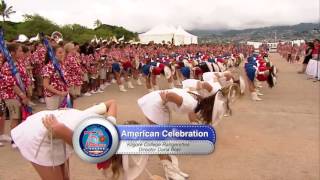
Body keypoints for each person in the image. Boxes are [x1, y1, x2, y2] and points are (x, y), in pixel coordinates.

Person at [11, 100, 117, 180]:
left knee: (65, 177)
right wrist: (59, 123)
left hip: (56, 130)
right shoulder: (87, 143)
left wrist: (68, 115)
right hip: (37, 133)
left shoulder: (110, 125)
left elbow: (112, 102)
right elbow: (57, 128)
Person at [137, 87, 220, 179]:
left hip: (157, 101)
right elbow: (170, 95)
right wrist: (166, 99)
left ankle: (171, 168)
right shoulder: (190, 104)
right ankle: (170, 172)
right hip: (153, 105)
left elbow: (190, 110)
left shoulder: (197, 101)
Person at [1, 43, 31, 148]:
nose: (22, 52)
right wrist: (22, 95)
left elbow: (25, 78)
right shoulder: (7, 66)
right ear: (12, 53)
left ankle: (20, 138)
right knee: (15, 117)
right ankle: (14, 141)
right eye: (19, 51)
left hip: (21, 94)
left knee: (20, 117)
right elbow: (11, 84)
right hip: (11, 95)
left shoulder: (19, 62)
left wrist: (28, 91)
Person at [42, 45, 69, 110]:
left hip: (63, 94)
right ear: (53, 54)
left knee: (62, 115)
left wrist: (66, 91)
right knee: (53, 115)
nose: (62, 54)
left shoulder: (61, 65)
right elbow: (45, 84)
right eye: (60, 53)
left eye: (63, 52)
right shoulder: (49, 66)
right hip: (52, 96)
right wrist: (59, 93)